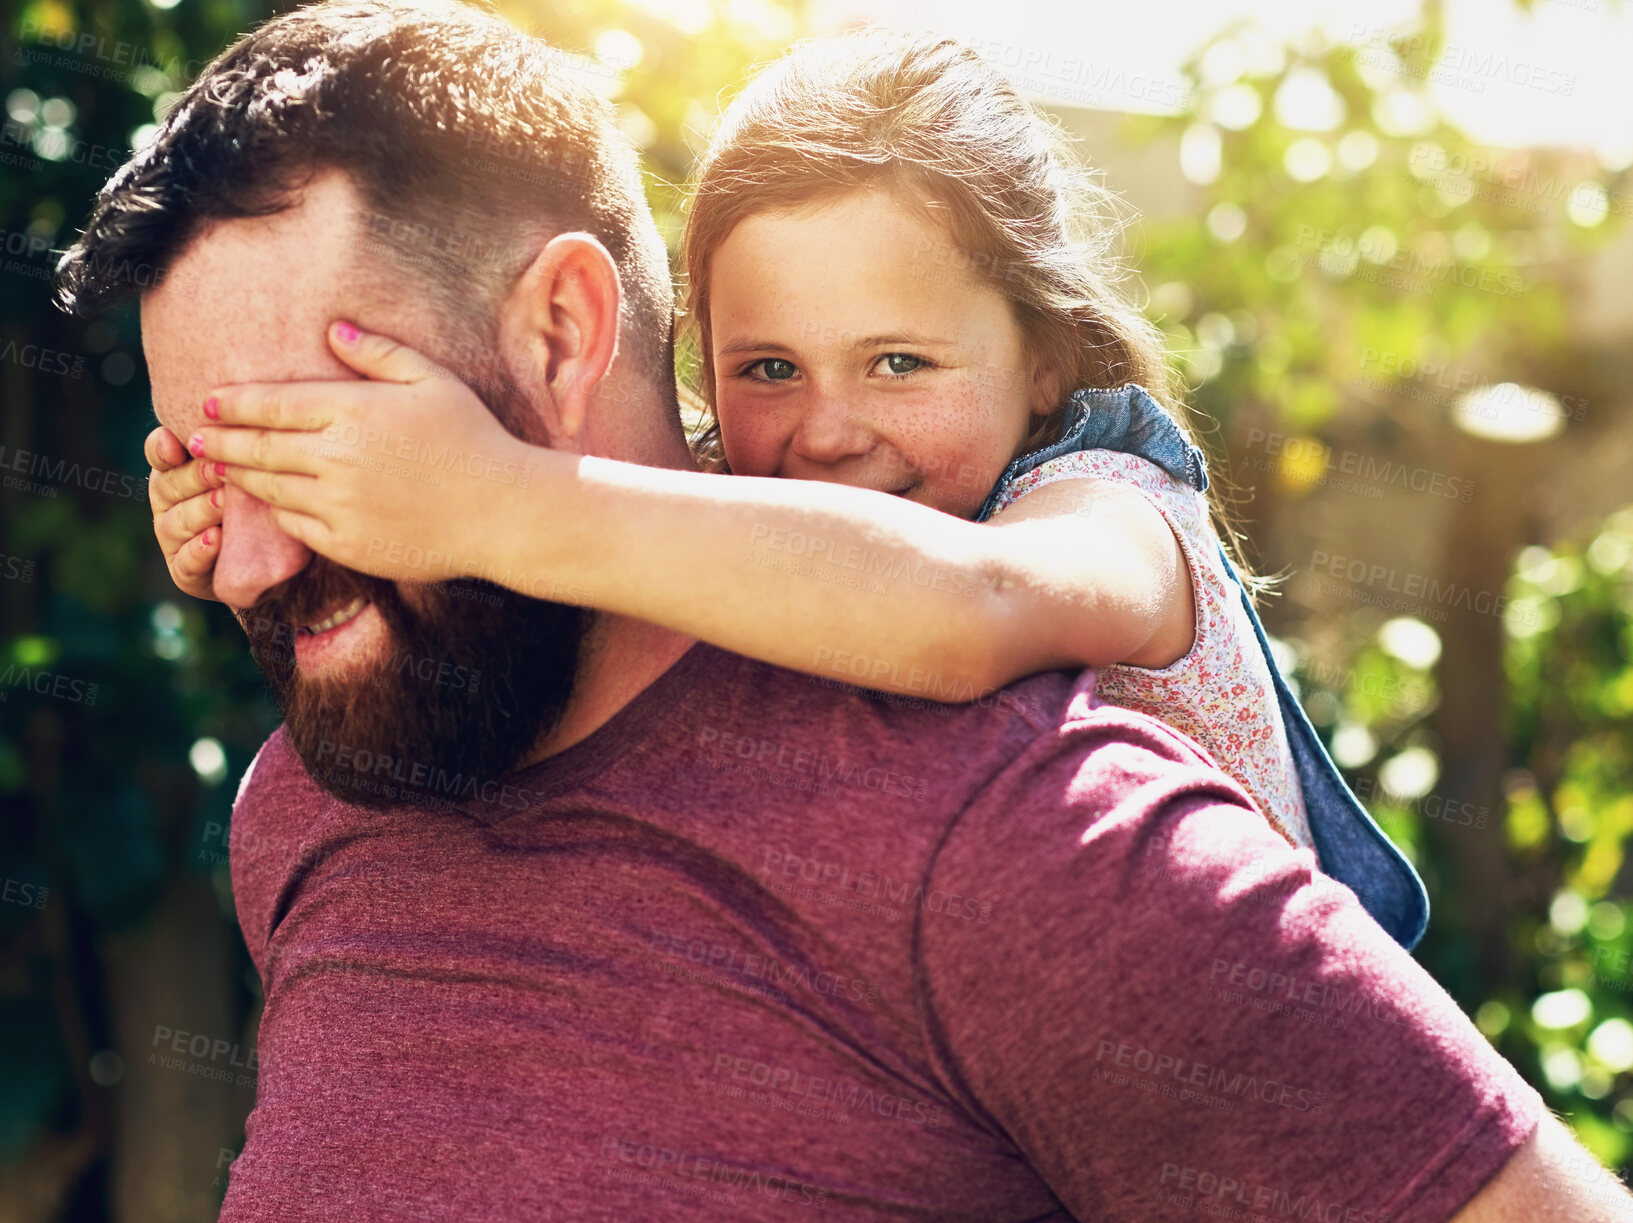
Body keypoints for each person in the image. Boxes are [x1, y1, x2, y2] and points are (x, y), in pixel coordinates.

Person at [57, 1, 1627, 1218]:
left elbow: (967, 607)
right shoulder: (324, 792)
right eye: (208, 459)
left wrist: (496, 502)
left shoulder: (1023, 800)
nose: (246, 560)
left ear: (561, 332)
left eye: (318, 443)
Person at [147, 28, 1427, 947]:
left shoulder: (1111, 508)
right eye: (765, 366)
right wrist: (266, 519)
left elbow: (960, 610)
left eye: (899, 361)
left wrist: (491, 498)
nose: (825, 432)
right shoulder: (753, 498)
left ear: (1046, 355)